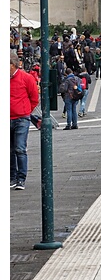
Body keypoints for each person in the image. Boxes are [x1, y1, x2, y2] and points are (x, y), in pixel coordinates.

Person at [11, 50, 39, 190]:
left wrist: (26, 111)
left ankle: (21, 178)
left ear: (12, 65)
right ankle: (12, 177)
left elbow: (34, 98)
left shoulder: (26, 78)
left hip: (21, 118)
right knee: (9, 150)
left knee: (20, 148)